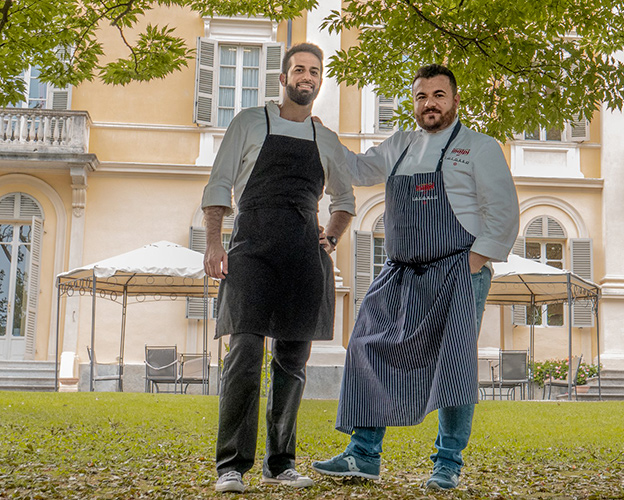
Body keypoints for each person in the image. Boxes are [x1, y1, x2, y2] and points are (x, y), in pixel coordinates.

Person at [312, 64, 519, 490]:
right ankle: (364, 453)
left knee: (454, 366)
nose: (430, 104)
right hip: (400, 271)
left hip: (458, 271)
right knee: (366, 346)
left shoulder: (479, 147)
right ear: (414, 102)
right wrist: (323, 136)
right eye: (422, 96)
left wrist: (475, 262)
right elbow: (356, 170)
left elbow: (503, 212)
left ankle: (448, 462)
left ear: (455, 100)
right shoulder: (400, 145)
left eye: (439, 95)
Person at [201, 43, 355, 493]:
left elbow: (345, 201)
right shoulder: (249, 122)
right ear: (283, 78)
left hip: (305, 257)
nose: (306, 77)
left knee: (292, 362)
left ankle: (280, 463)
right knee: (244, 356)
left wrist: (332, 235)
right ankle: (231, 465)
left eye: (314, 71)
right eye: (299, 69)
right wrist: (213, 243)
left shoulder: (327, 139)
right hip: (250, 252)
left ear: (320, 82)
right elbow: (219, 185)